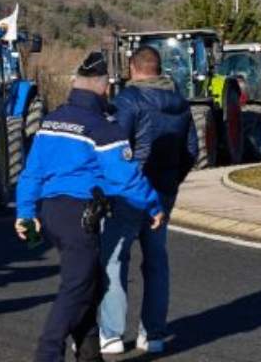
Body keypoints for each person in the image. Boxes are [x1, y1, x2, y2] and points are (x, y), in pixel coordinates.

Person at [15, 52, 165, 362]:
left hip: (50, 213)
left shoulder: (51, 120)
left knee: (91, 282)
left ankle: (89, 353)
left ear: (75, 84)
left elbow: (32, 172)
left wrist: (25, 213)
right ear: (105, 87)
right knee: (78, 287)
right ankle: (47, 354)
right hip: (78, 217)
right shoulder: (103, 128)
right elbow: (125, 179)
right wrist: (153, 205)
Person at [97, 45, 197, 355]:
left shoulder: (126, 101)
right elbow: (191, 150)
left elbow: (115, 150)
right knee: (156, 261)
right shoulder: (181, 103)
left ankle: (112, 334)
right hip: (163, 190)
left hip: (129, 192)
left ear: (132, 68)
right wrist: (170, 183)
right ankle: (152, 334)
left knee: (114, 259)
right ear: (159, 68)